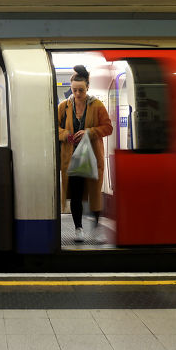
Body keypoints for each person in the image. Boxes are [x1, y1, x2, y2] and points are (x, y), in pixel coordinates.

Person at [57, 65, 113, 243]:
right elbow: (54, 128)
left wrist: (90, 131)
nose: (78, 93)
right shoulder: (63, 107)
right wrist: (66, 134)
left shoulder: (97, 105)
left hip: (92, 157)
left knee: (95, 194)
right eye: (74, 90)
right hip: (71, 158)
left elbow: (108, 128)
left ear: (87, 87)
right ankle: (78, 228)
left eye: (81, 90)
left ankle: (97, 229)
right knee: (76, 194)